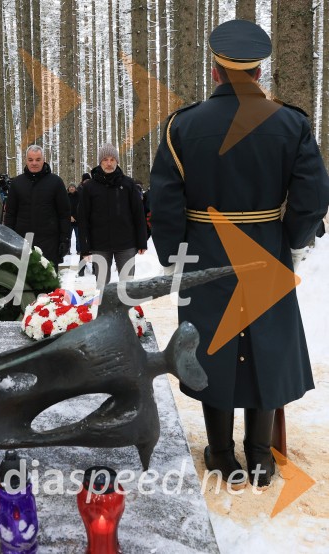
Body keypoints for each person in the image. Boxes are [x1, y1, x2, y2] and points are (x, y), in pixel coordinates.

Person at [149, 20, 329, 489]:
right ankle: (259, 456)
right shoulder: (291, 122)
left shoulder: (181, 125)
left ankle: (223, 455)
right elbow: (313, 193)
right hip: (265, 247)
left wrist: (173, 255)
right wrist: (290, 237)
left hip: (206, 253)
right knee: (265, 345)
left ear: (215, 72)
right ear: (259, 71)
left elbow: (164, 198)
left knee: (214, 346)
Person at [78, 143, 148, 288]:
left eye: (112, 159)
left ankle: (126, 309)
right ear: (100, 162)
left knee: (127, 284)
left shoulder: (128, 184)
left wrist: (142, 241)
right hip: (100, 244)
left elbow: (138, 214)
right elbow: (83, 217)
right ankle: (103, 310)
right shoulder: (89, 187)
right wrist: (85, 247)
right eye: (105, 160)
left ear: (117, 161)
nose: (109, 163)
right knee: (102, 284)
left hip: (126, 243)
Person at [4, 145, 70, 265]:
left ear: (44, 160)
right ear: (26, 161)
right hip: (23, 241)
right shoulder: (17, 183)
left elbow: (64, 214)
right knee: (24, 281)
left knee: (49, 281)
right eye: (31, 160)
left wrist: (65, 240)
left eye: (38, 159)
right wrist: (9, 239)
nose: (34, 163)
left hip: (49, 242)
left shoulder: (56, 182)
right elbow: (10, 214)